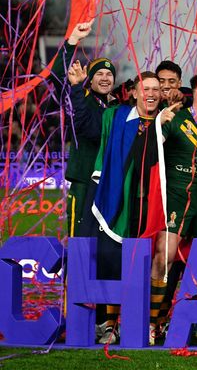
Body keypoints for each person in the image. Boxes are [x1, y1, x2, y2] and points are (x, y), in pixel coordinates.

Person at [69, 68, 166, 344]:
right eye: (146, 88)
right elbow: (84, 124)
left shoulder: (166, 119)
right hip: (114, 200)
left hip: (150, 204)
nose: (151, 94)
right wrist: (76, 88)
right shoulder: (114, 116)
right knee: (110, 259)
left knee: (143, 264)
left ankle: (142, 322)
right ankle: (108, 323)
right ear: (134, 91)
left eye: (156, 89)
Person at [149, 71, 197, 345]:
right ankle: (152, 322)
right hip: (177, 197)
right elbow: (150, 148)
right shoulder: (176, 119)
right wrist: (158, 125)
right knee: (164, 257)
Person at [62, 21, 117, 237]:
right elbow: (87, 127)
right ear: (90, 79)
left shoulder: (117, 107)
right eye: (99, 74)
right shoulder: (80, 97)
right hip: (84, 181)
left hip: (108, 183)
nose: (105, 78)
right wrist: (77, 86)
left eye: (109, 74)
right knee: (79, 241)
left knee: (104, 239)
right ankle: (74, 273)